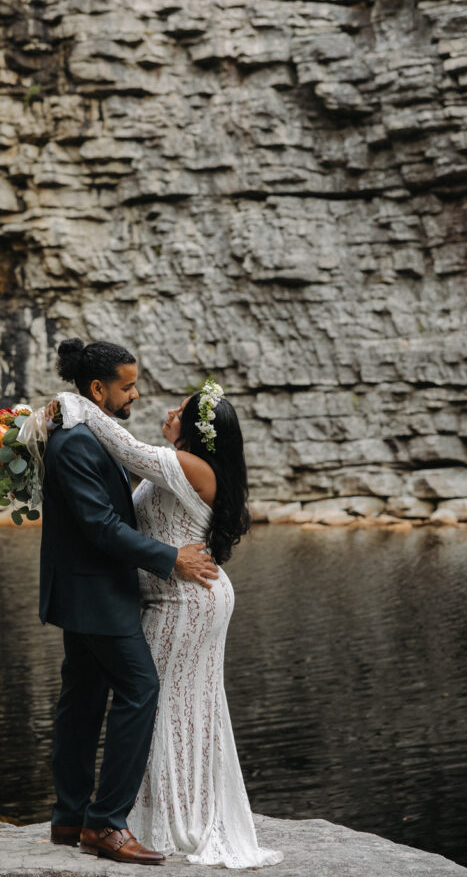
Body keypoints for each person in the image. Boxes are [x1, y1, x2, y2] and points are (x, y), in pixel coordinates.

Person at [53, 377, 284, 868]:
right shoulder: (184, 468)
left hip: (185, 600)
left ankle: (156, 819)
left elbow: (124, 444)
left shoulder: (187, 464)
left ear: (200, 433)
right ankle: (163, 814)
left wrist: (70, 404)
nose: (170, 413)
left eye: (181, 411)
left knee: (160, 707)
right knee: (175, 708)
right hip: (176, 596)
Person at [40, 338, 219, 866]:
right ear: (98, 389)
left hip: (88, 591)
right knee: (140, 689)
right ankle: (106, 824)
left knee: (83, 701)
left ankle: (70, 817)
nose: (136, 394)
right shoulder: (75, 442)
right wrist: (171, 559)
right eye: (127, 385)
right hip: (93, 593)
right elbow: (100, 526)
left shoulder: (95, 434)